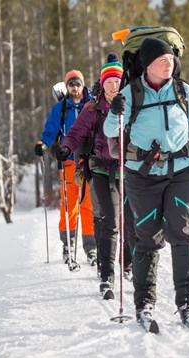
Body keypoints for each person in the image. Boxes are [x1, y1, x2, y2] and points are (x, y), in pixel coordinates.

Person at [103, 38, 189, 325]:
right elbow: (109, 130)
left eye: (171, 59)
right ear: (147, 64)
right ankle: (144, 303)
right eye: (162, 60)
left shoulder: (185, 92)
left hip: (180, 172)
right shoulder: (130, 95)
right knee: (147, 238)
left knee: (182, 234)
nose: (169, 64)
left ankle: (187, 303)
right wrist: (114, 110)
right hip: (141, 176)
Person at [55, 54, 135, 297]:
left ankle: (129, 264)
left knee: (131, 221)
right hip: (100, 170)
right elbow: (76, 132)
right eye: (109, 81)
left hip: (129, 170)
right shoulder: (93, 109)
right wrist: (66, 147)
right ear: (103, 83)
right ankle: (107, 274)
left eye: (118, 81)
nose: (114, 86)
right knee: (110, 220)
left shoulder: (134, 105)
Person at [34, 70, 97, 265]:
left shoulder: (93, 103)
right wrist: (44, 144)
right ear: (66, 86)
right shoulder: (60, 108)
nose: (74, 88)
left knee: (89, 205)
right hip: (69, 160)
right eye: (71, 84)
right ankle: (67, 245)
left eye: (77, 84)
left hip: (88, 161)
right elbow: (50, 130)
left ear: (83, 84)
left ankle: (91, 247)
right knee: (69, 205)